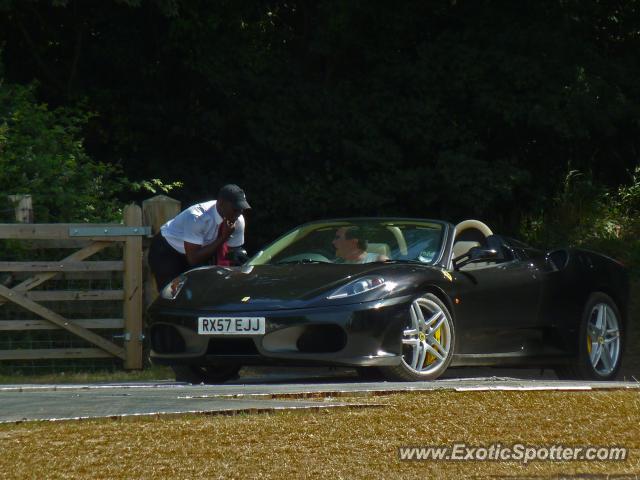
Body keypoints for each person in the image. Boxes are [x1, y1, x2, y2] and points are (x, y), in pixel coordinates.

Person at [148, 184, 251, 289]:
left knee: (200, 293)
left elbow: (233, 255)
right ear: (221, 203)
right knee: (172, 293)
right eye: (235, 209)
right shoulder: (197, 216)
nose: (239, 213)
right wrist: (223, 238)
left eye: (242, 208)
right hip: (168, 250)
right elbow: (193, 259)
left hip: (197, 251)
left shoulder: (238, 220)